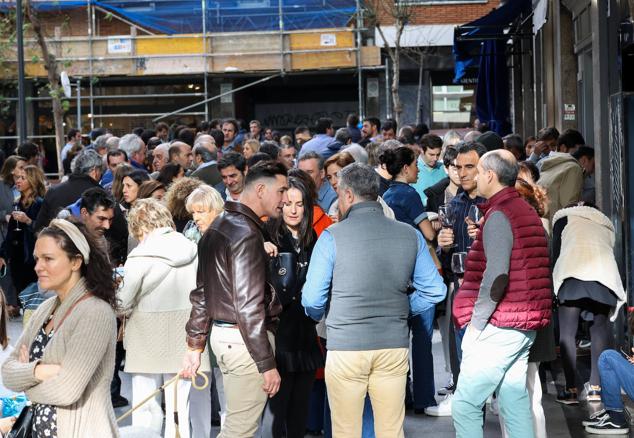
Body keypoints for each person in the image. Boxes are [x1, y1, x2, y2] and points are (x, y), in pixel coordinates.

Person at [301, 163, 446, 437]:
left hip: (345, 345)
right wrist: (403, 308)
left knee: (345, 429)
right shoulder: (409, 234)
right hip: (392, 344)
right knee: (391, 429)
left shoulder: (332, 237)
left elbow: (312, 299)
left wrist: (326, 314)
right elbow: (436, 290)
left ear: (348, 196)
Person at [182, 161, 288, 438]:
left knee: (235, 425)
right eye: (282, 191)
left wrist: (195, 345)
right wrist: (266, 363)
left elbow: (202, 294)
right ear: (262, 189)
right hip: (243, 341)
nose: (285, 199)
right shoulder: (242, 232)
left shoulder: (221, 227)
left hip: (228, 339)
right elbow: (248, 306)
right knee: (239, 429)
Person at [451, 150, 552, 438]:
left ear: (490, 176)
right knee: (514, 400)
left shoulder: (499, 215)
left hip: (501, 324)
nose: (472, 176)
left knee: (466, 404)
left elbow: (497, 277)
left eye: (479, 171)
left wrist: (476, 324)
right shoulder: (525, 211)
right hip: (524, 324)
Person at [1, 218, 119, 437]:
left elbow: (67, 390)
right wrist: (40, 370)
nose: (37, 267)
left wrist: (26, 380)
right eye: (37, 259)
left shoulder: (95, 312)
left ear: (76, 262)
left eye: (48, 259)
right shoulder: (46, 309)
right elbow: (7, 372)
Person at [117, 199, 202, 438]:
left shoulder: (139, 255)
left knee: (146, 408)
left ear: (140, 226)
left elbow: (122, 303)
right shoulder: (191, 249)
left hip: (145, 338)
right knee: (179, 411)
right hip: (184, 335)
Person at [260, 176, 324, 438]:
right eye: (287, 204)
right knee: (275, 415)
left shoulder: (314, 237)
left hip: (306, 333)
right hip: (279, 334)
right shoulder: (268, 235)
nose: (294, 210)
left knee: (300, 413)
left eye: (299, 204)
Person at [552, 202, 625, 405]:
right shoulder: (604, 222)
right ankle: (595, 388)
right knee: (599, 330)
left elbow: (556, 251)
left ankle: (571, 390)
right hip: (602, 276)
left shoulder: (564, 218)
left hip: (572, 272)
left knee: (567, 332)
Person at [182, 185, 226, 434]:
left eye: (201, 211)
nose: (196, 217)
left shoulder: (224, 237)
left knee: (224, 387)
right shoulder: (195, 237)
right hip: (205, 324)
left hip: (224, 324)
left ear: (215, 209)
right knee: (204, 383)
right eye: (193, 212)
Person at [0, 165, 46, 295]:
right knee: (22, 296)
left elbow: (45, 230)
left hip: (31, 258)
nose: (18, 181)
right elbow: (11, 232)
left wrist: (28, 221)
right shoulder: (17, 203)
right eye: (18, 177)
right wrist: (2, 254)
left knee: (33, 297)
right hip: (17, 259)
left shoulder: (39, 203)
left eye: (23, 178)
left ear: (32, 181)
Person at [381, 147, 435, 240]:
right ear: (406, 168)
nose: (418, 170)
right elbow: (430, 235)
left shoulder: (385, 195)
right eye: (416, 165)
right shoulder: (409, 194)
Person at [411, 134, 446, 207]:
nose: (435, 158)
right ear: (422, 150)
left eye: (438, 154)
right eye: (431, 155)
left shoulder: (444, 169)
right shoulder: (411, 169)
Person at [324, 152, 355, 220]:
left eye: (337, 175)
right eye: (329, 177)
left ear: (351, 173)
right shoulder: (334, 207)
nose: (333, 182)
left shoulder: (369, 198)